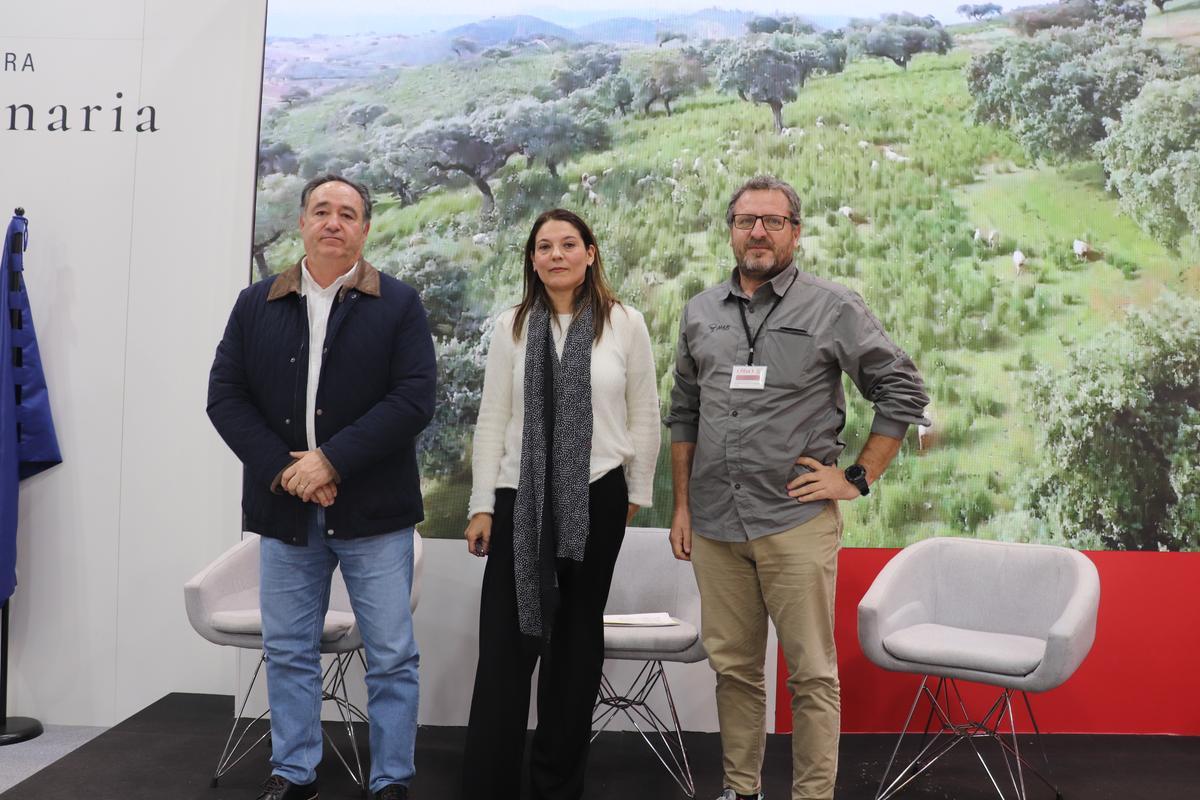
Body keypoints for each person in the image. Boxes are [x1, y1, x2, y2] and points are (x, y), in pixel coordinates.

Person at [665, 175, 930, 800]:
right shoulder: (699, 311)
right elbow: (683, 411)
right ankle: (741, 789)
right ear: (730, 229)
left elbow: (903, 389)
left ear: (795, 231)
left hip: (794, 522)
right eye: (746, 220)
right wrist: (680, 506)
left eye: (773, 221)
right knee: (734, 671)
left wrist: (856, 477)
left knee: (811, 674)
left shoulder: (832, 305)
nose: (758, 232)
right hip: (714, 525)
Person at [207, 174, 436, 800]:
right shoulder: (257, 303)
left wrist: (330, 461)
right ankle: (293, 772)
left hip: (376, 513)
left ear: (365, 229)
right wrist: (289, 472)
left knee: (390, 655)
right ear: (302, 221)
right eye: (321, 211)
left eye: (348, 213)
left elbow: (414, 399)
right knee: (288, 651)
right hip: (285, 512)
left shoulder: (399, 303)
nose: (333, 222)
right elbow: (225, 398)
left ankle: (391, 779)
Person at [460, 208, 661, 800]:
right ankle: (490, 786)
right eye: (543, 246)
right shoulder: (513, 327)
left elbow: (643, 412)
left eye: (568, 244)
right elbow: (493, 417)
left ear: (591, 253)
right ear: (531, 259)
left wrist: (637, 491)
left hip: (597, 496)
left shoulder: (625, 324)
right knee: (506, 646)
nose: (555, 255)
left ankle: (555, 786)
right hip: (519, 500)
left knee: (574, 648)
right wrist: (481, 504)